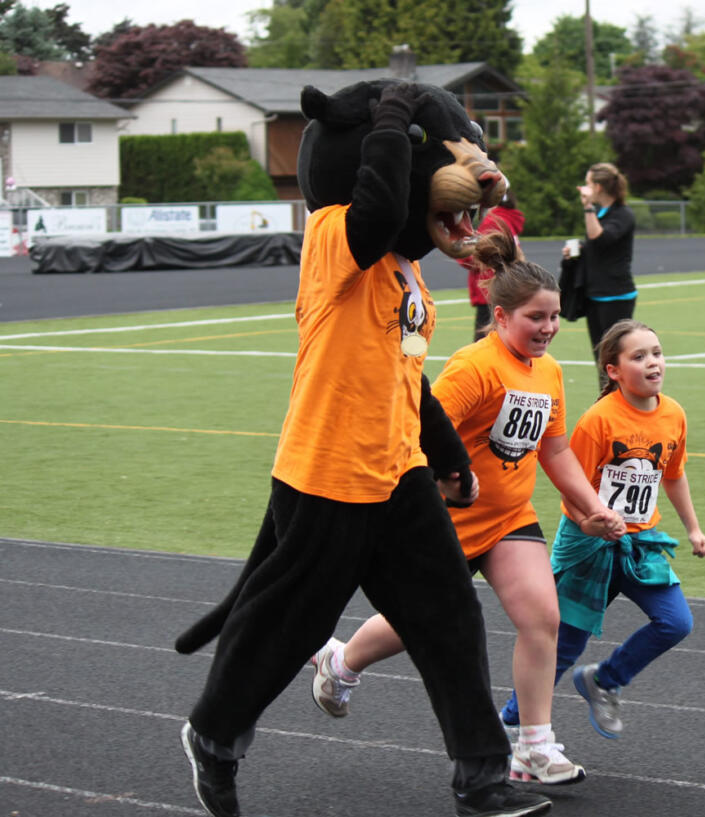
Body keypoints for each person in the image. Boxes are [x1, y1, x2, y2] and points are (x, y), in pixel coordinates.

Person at [173, 81, 550, 817]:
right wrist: (396, 113)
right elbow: (378, 209)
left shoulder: (409, 275)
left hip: (397, 472)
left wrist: (447, 459)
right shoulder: (332, 235)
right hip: (327, 471)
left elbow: (405, 381)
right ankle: (213, 735)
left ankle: (481, 775)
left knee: (448, 616)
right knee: (289, 624)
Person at [309, 228, 626, 785]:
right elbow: (418, 430)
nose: (548, 328)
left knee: (542, 619)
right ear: (500, 317)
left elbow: (553, 449)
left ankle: (534, 746)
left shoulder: (548, 372)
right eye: (535, 318)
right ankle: (341, 661)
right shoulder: (473, 367)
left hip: (510, 519)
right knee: (418, 624)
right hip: (449, 522)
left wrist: (592, 506)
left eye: (553, 317)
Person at [500, 319, 705, 740]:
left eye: (657, 352)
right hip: (589, 545)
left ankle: (606, 679)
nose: (653, 362)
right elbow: (568, 486)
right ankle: (509, 722)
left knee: (675, 622)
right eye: (639, 356)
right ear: (613, 370)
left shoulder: (673, 415)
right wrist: (588, 522)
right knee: (563, 646)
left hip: (641, 543)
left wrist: (693, 528)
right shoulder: (599, 420)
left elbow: (672, 474)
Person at [563, 163, 636, 384]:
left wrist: (587, 208)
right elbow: (596, 246)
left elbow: (601, 238)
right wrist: (577, 252)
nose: (584, 188)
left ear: (598, 187)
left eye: (587, 183)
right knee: (602, 360)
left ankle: (623, 403)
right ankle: (607, 404)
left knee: (616, 358)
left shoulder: (622, 214)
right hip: (595, 295)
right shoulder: (601, 214)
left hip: (616, 297)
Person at [460, 188, 525, 342]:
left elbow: (480, 256)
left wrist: (462, 251)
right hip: (504, 285)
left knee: (485, 343)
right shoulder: (507, 219)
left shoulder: (493, 221)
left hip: (490, 288)